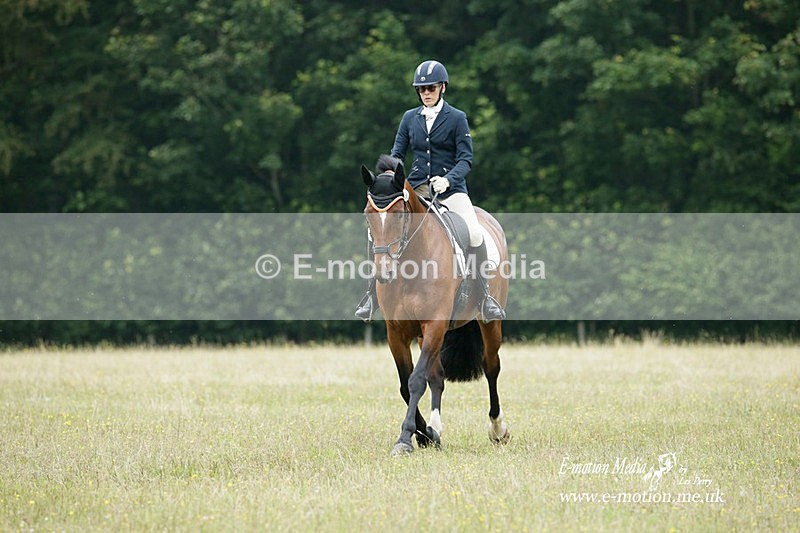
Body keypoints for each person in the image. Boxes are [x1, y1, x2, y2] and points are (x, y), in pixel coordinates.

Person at [356, 59, 505, 323]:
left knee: (472, 232)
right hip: (416, 189)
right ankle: (371, 296)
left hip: (451, 190)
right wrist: (390, 178)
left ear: (442, 88)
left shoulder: (457, 118)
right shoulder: (409, 118)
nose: (426, 93)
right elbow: (397, 155)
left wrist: (447, 180)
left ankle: (484, 297)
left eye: (431, 88)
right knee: (379, 230)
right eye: (422, 89)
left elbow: (465, 159)